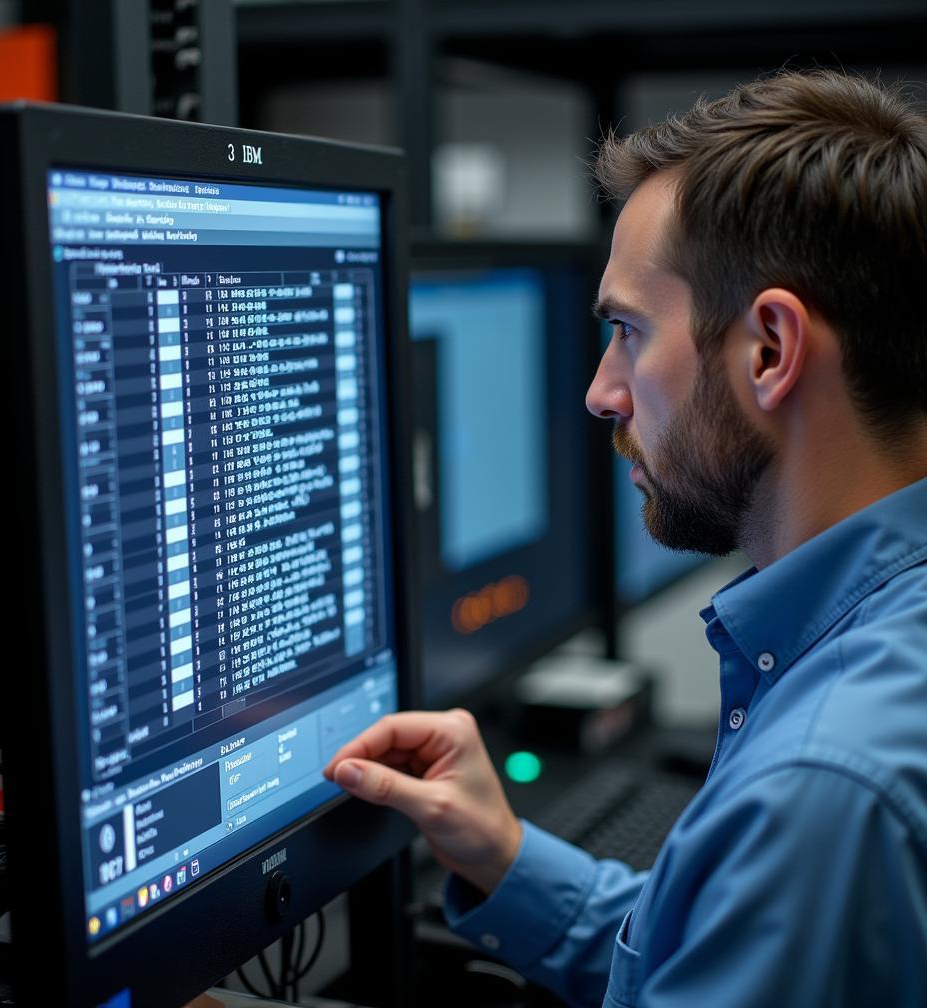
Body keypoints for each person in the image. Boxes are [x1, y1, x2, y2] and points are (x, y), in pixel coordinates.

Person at [323, 69, 927, 1007]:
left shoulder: (826, 792)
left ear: (771, 350)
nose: (604, 391)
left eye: (628, 333)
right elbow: (708, 953)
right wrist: (512, 858)